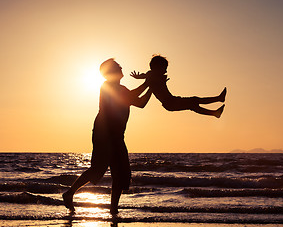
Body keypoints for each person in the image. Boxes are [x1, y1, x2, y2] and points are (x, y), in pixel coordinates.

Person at [62, 58, 152, 215]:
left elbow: (141, 102)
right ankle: (70, 193)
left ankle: (113, 209)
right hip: (105, 134)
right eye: (118, 66)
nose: (121, 67)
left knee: (121, 174)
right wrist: (149, 83)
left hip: (116, 135)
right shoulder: (108, 87)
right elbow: (133, 97)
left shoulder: (121, 88)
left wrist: (151, 85)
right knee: (98, 170)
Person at [131, 55, 226, 118]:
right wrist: (138, 77)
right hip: (170, 102)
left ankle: (215, 112)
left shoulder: (154, 75)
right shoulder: (153, 75)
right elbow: (146, 76)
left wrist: (138, 77)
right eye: (164, 68)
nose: (166, 71)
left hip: (171, 101)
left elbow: (145, 76)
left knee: (193, 105)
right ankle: (218, 100)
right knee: (194, 101)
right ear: (157, 67)